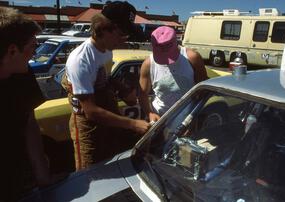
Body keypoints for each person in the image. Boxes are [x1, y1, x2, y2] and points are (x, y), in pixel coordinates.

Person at [62, 1, 150, 171]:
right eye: (121, 33)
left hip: (106, 113)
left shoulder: (106, 50)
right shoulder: (81, 59)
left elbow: (105, 77)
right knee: (89, 172)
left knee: (110, 161)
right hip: (88, 124)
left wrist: (123, 89)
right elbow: (91, 112)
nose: (124, 38)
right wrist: (134, 124)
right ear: (102, 29)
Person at [0, 7, 52, 201]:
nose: (35, 51)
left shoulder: (23, 74)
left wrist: (43, 179)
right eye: (33, 45)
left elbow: (29, 122)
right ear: (12, 50)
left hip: (16, 179)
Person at [139, 26, 208, 122]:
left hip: (188, 117)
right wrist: (150, 113)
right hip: (161, 119)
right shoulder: (148, 64)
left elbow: (203, 90)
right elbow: (142, 94)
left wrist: (194, 117)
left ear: (176, 43)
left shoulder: (192, 58)